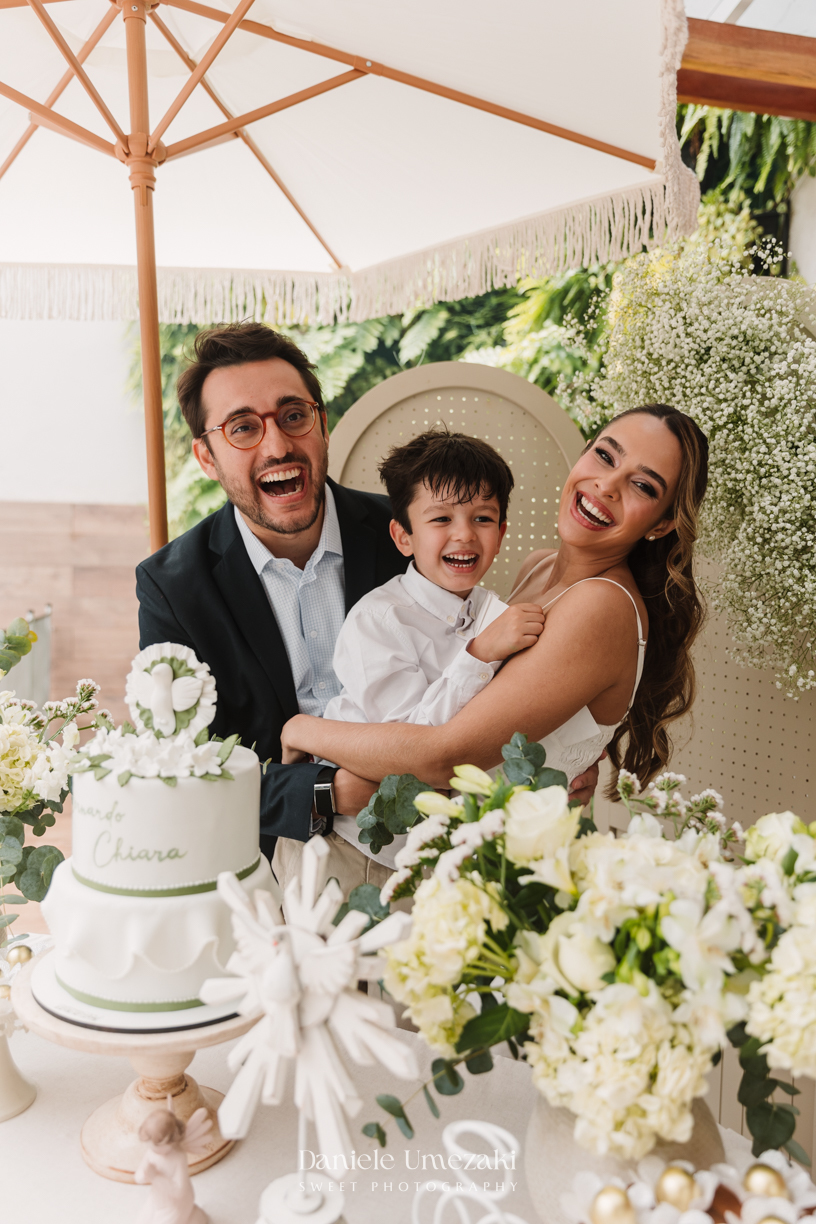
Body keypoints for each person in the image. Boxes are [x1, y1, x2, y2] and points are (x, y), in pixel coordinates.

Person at [137, 324, 599, 864]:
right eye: (242, 428)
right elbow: (185, 773)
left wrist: (554, 756)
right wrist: (330, 793)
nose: (279, 444)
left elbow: (482, 667)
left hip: (436, 842)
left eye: (294, 416)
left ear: (322, 424)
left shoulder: (415, 533)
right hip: (261, 868)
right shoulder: (172, 586)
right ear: (207, 457)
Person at [280, 404, 709, 819]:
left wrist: (304, 729)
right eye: (605, 455)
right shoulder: (537, 569)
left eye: (644, 486)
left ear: (662, 524)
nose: (607, 485)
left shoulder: (602, 605)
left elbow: (444, 757)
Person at [274, 428, 548, 890]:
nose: (464, 535)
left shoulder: (493, 612)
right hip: (352, 850)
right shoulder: (377, 622)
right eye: (440, 519)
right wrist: (478, 655)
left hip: (433, 857)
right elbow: (414, 749)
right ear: (403, 537)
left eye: (483, 518)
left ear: (501, 533)